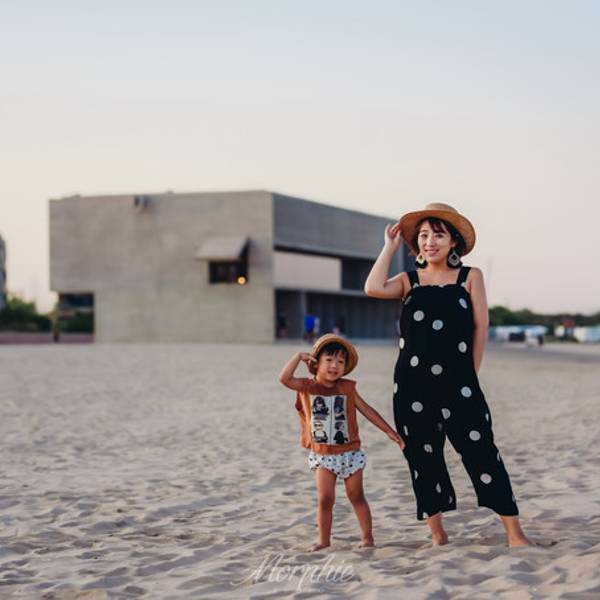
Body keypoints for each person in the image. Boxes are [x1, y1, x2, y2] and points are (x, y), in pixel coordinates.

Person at [364, 202, 531, 547]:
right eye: (424, 236)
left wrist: (472, 374)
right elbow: (373, 288)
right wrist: (389, 248)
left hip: (460, 383)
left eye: (438, 235)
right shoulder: (408, 281)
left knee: (482, 451)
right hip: (412, 384)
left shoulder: (470, 277)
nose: (430, 242)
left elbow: (481, 327)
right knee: (422, 456)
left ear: (453, 241)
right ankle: (438, 534)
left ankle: (515, 534)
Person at [278, 333, 405, 551]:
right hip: (323, 455)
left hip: (350, 453)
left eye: (340, 362)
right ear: (316, 363)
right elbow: (284, 378)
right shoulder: (307, 387)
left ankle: (367, 537)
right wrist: (298, 357)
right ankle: (324, 540)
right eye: (329, 360)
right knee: (325, 499)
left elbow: (366, 410)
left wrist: (388, 431)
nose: (334, 366)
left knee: (356, 495)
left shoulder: (347, 388)